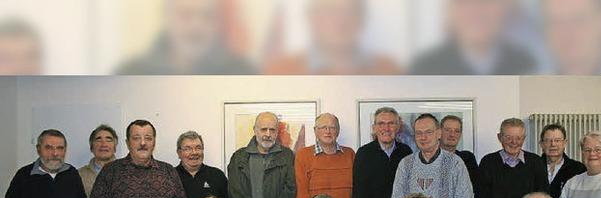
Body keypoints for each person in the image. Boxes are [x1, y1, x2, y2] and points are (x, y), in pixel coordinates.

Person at [116, 0, 254, 74]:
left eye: (207, 15)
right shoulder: (132, 71)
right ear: (166, 16)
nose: (197, 26)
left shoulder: (242, 70)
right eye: (186, 14)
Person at [263, 0, 399, 75]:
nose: (340, 21)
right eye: (330, 12)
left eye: (349, 12)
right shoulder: (281, 70)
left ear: (362, 18)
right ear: (312, 18)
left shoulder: (388, 69)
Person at [410, 0, 536, 75]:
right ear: (450, 12)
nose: (477, 12)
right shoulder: (425, 67)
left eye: (486, 2)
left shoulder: (526, 63)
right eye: (466, 2)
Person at [295, 113, 355, 198]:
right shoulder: (303, 155)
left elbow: (357, 194)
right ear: (315, 131)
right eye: (323, 127)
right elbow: (301, 195)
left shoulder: (350, 154)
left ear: (337, 131)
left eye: (332, 127)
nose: (328, 131)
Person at [175, 130, 236, 198]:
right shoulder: (171, 177)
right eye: (188, 149)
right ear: (179, 153)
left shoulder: (217, 175)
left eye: (198, 148)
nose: (194, 152)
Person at [538, 123, 586, 198]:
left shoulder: (578, 169)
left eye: (557, 140)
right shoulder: (533, 167)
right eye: (548, 140)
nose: (553, 144)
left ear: (565, 143)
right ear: (541, 144)